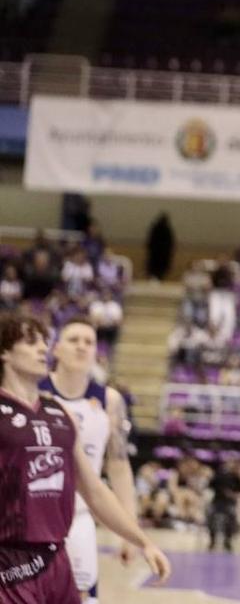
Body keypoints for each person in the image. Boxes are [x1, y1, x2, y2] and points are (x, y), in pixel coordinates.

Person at [0, 312, 169, 601]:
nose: (42, 349)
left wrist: (142, 541)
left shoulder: (61, 414)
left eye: (44, 341)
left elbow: (95, 489)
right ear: (4, 352)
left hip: (57, 555)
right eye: (31, 342)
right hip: (9, 560)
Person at [40, 319, 138, 604]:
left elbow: (119, 467)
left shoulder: (110, 400)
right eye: (74, 340)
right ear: (56, 349)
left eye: (89, 342)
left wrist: (129, 532)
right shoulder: (35, 392)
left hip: (81, 517)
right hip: (34, 520)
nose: (82, 346)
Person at [145, 213, 175, 281]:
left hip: (160, 254)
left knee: (159, 270)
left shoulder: (165, 230)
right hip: (157, 254)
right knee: (156, 270)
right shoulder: (163, 229)